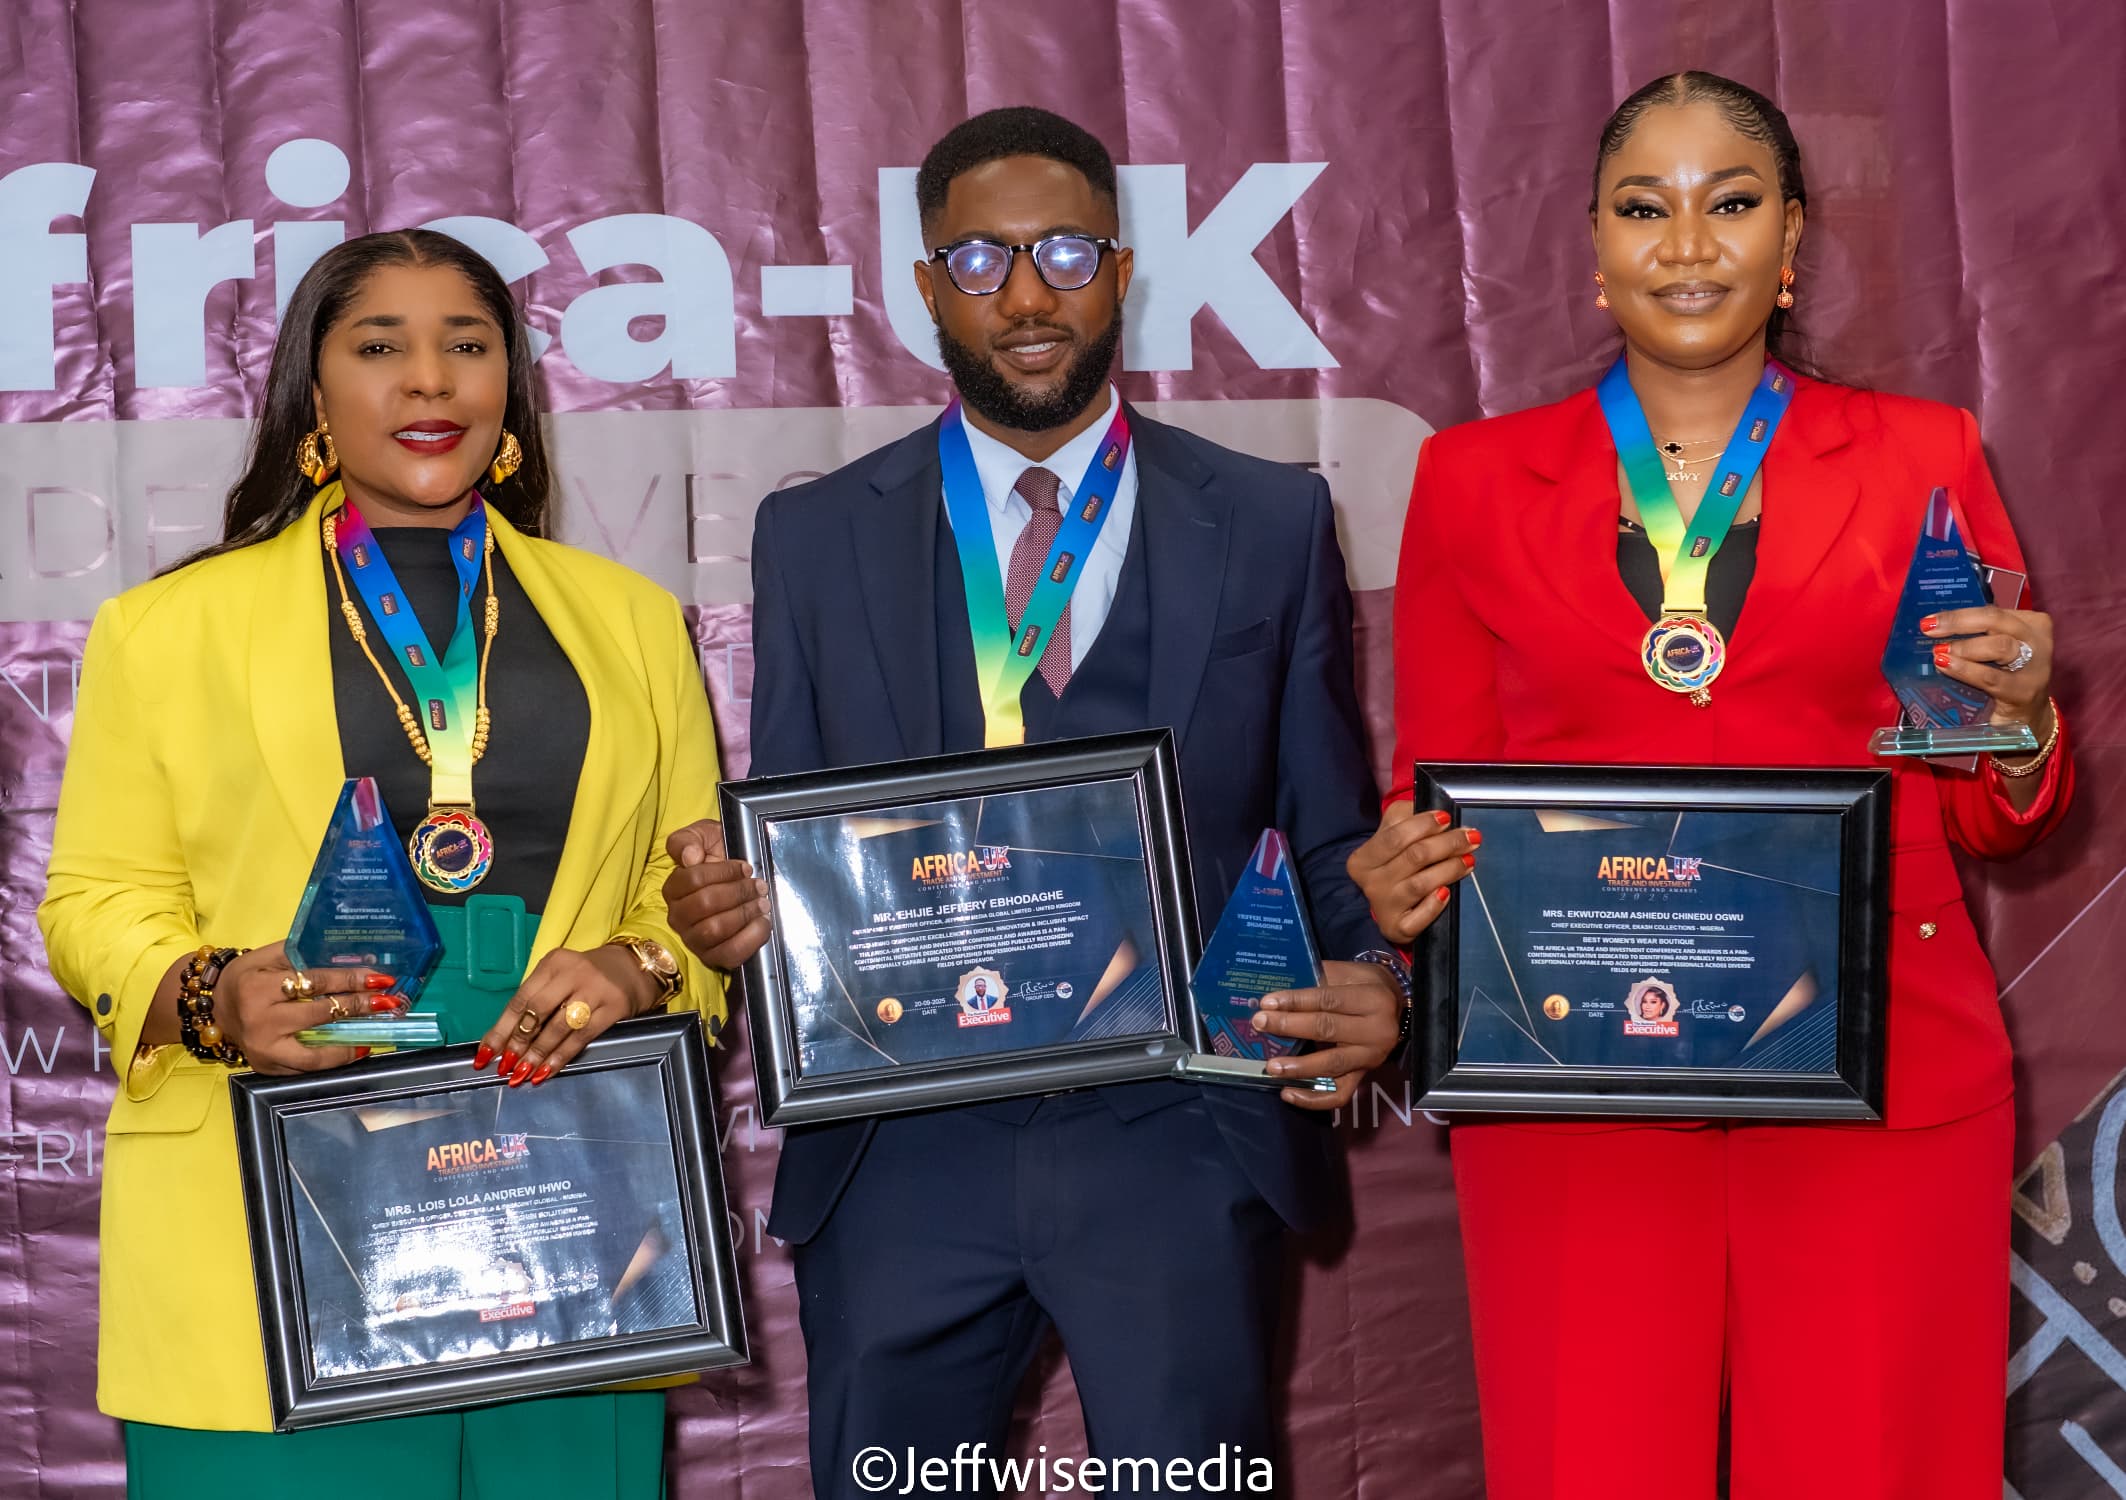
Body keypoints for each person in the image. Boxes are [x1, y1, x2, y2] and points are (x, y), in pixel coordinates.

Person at [662, 106, 1406, 1495]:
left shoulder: (1268, 519)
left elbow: (1323, 828)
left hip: (1180, 1135)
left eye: (1063, 253)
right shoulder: (814, 537)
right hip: (903, 1147)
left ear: (1120, 271)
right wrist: (730, 916)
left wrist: (1376, 973)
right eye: (979, 259)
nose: (1024, 296)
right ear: (925, 287)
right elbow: (793, 839)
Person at [1348, 72, 2072, 1499]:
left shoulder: (1921, 455)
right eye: (1643, 207)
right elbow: (1429, 796)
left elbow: (1991, 811)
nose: (1686, 243)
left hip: (1879, 1076)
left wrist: (2022, 725)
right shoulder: (1472, 479)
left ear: (1791, 236)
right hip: (1576, 1084)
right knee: (1590, 1469)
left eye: (1729, 202)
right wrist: (1398, 880)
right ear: (1592, 244)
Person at [39, 229, 722, 1499]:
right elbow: (95, 901)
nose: (430, 380)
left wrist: (637, 966)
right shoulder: (166, 629)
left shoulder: (631, 622)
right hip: (267, 1233)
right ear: (313, 391)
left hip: (568, 1228)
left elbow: (684, 899)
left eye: (467, 345)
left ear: (509, 387)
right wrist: (212, 995)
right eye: (379, 347)